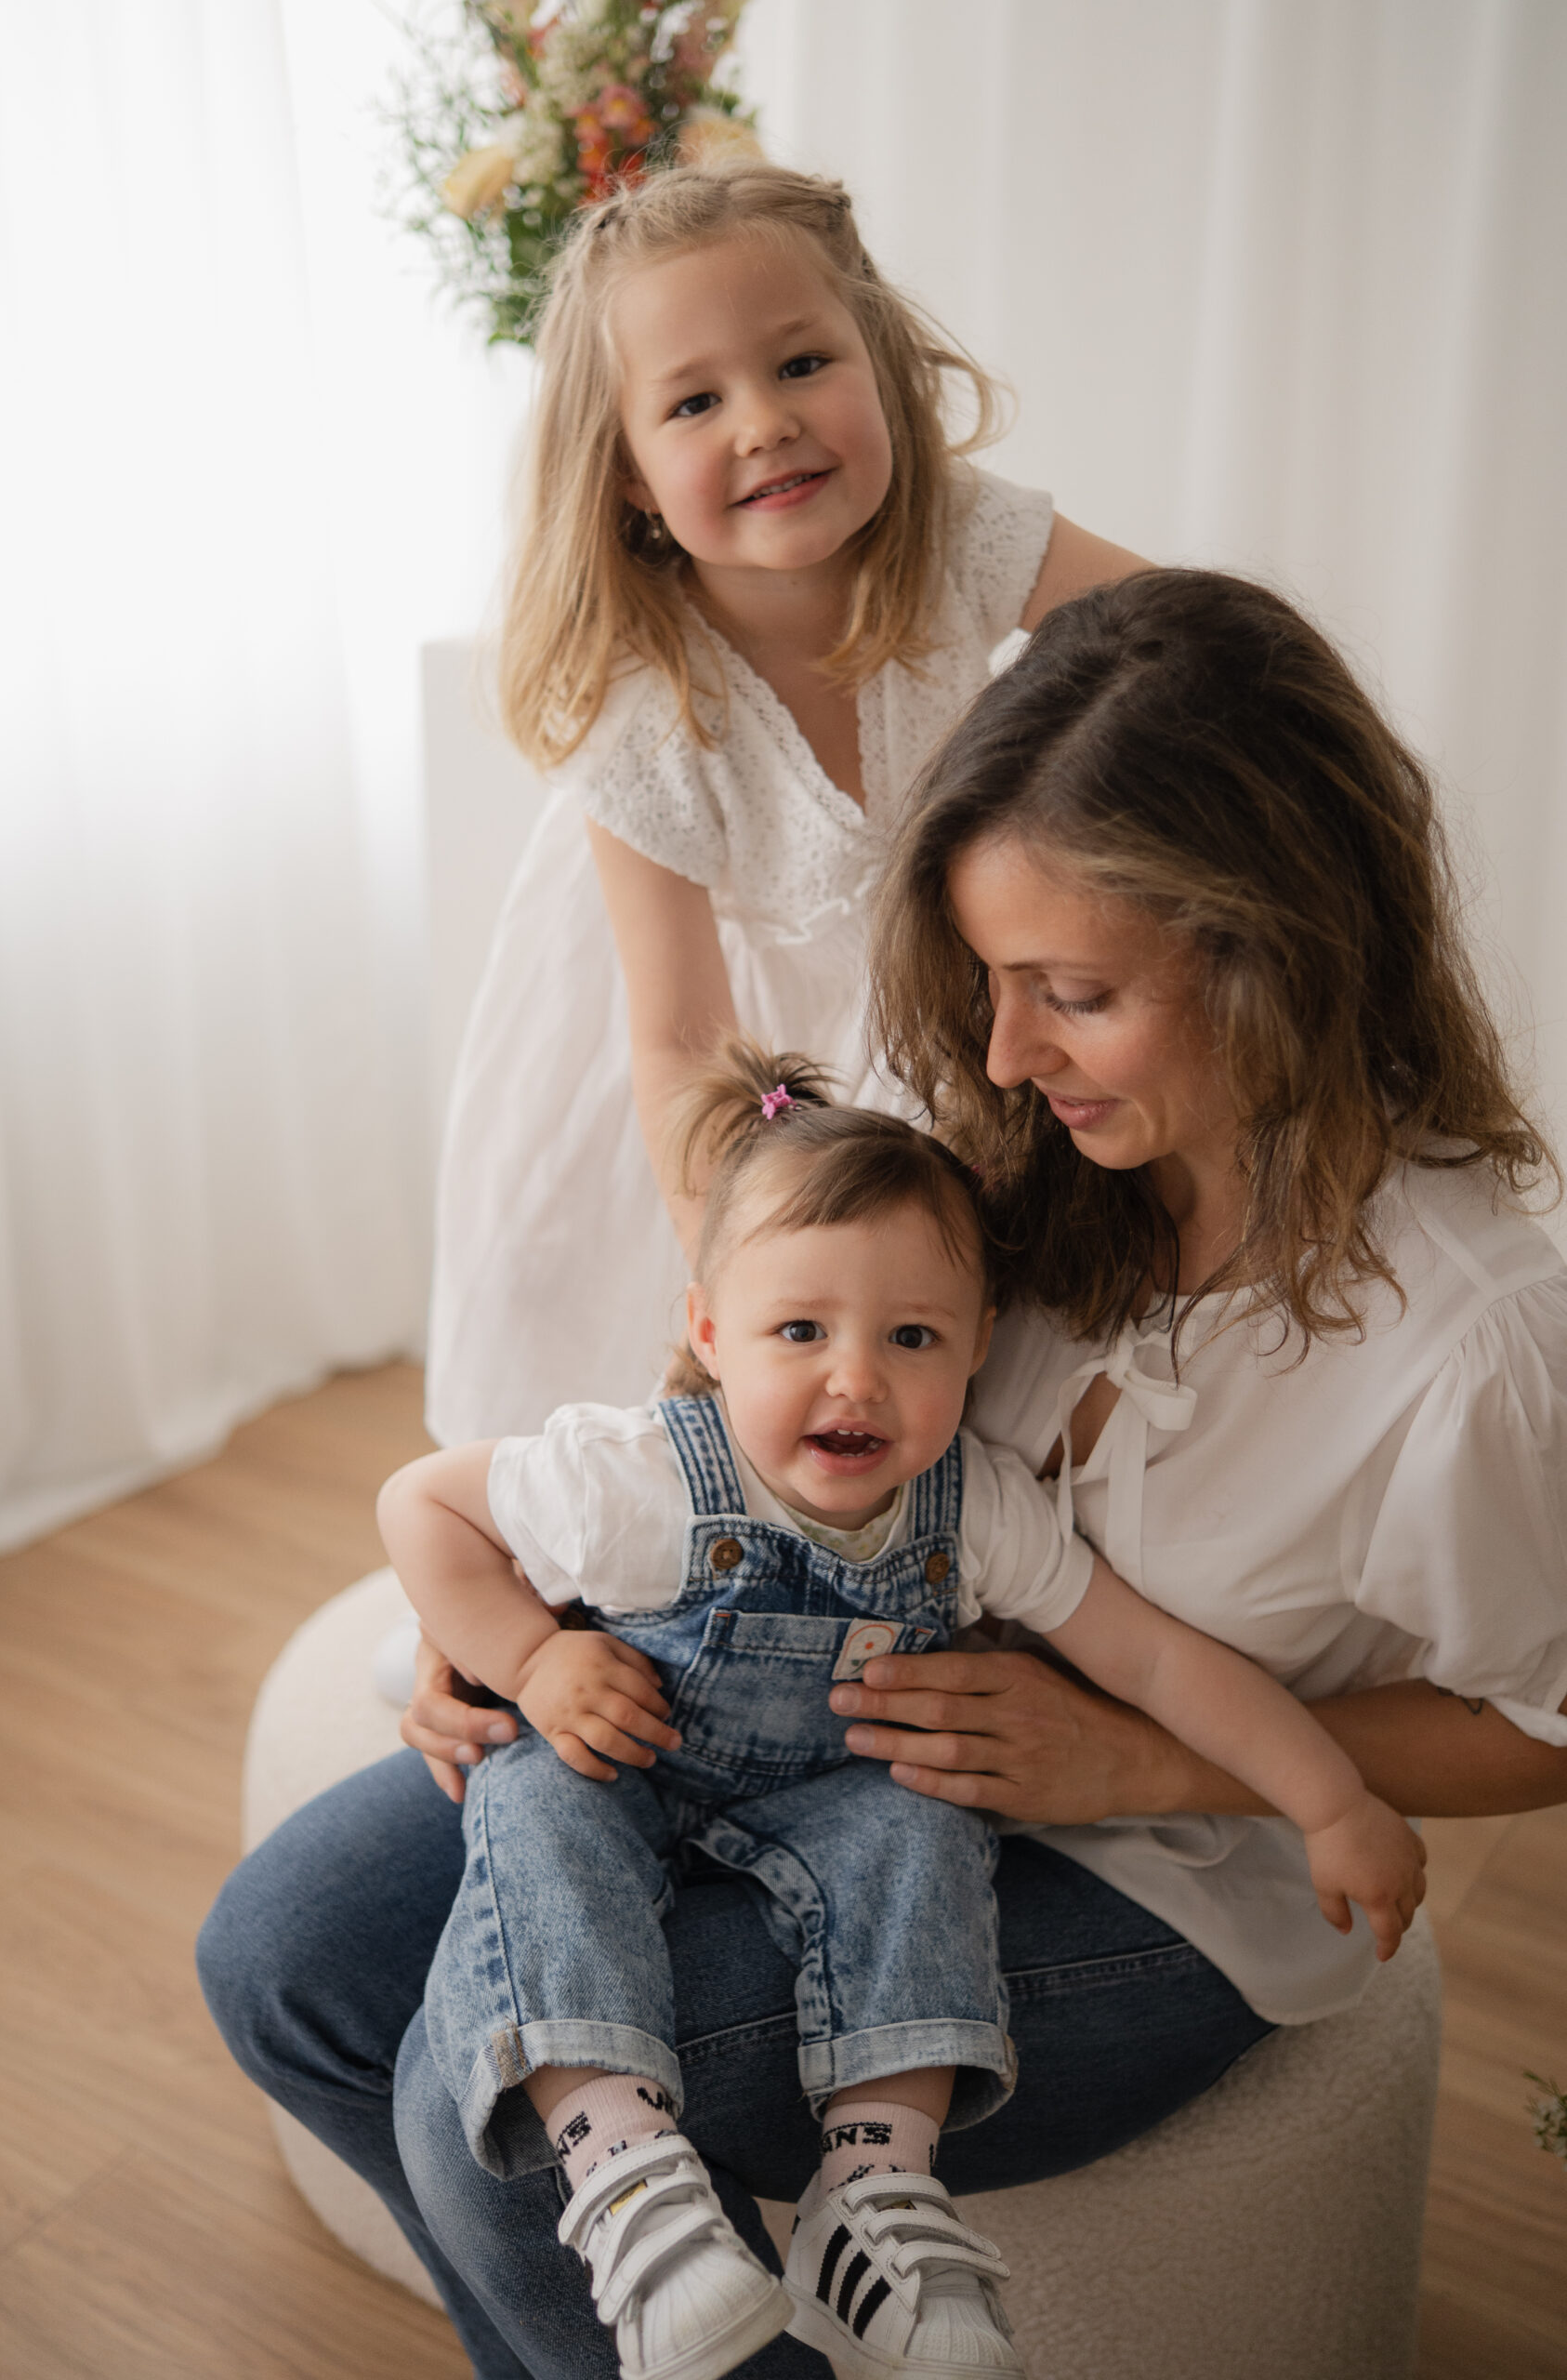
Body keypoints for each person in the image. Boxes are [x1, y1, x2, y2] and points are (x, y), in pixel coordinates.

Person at [198, 566, 1567, 2380]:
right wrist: (534, 1616)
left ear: (1280, 951)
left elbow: (1542, 1728)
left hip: (1158, 1862)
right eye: (993, 980)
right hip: (800, 1712)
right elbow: (766, 1362)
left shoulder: (1476, 1347)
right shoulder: (1037, 1128)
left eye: (1071, 989)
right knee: (284, 1957)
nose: (999, 1050)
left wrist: (1132, 1752)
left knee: (516, 2077)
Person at [377, 1042, 1422, 2380]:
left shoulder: (974, 1508)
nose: (855, 1380)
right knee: (536, 1805)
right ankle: (626, 2168)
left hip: (831, 1796)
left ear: (981, 1344)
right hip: (626, 1755)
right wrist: (525, 1660)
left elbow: (1157, 1662)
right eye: (799, 1332)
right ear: (712, 1332)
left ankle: (874, 2195)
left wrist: (1328, 1797)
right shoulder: (638, 1478)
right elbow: (422, 1501)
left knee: (927, 1832)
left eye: (911, 1337)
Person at [423, 158, 1140, 1448]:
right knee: (663, 1340)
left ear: (880, 366)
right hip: (728, 1065)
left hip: (936, 1000)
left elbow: (1171, 633)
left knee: (962, 1319)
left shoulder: (959, 539)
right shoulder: (645, 707)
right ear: (633, 476)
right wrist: (745, 1263)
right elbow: (683, 1039)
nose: (763, 421)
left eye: (803, 365)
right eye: (696, 401)